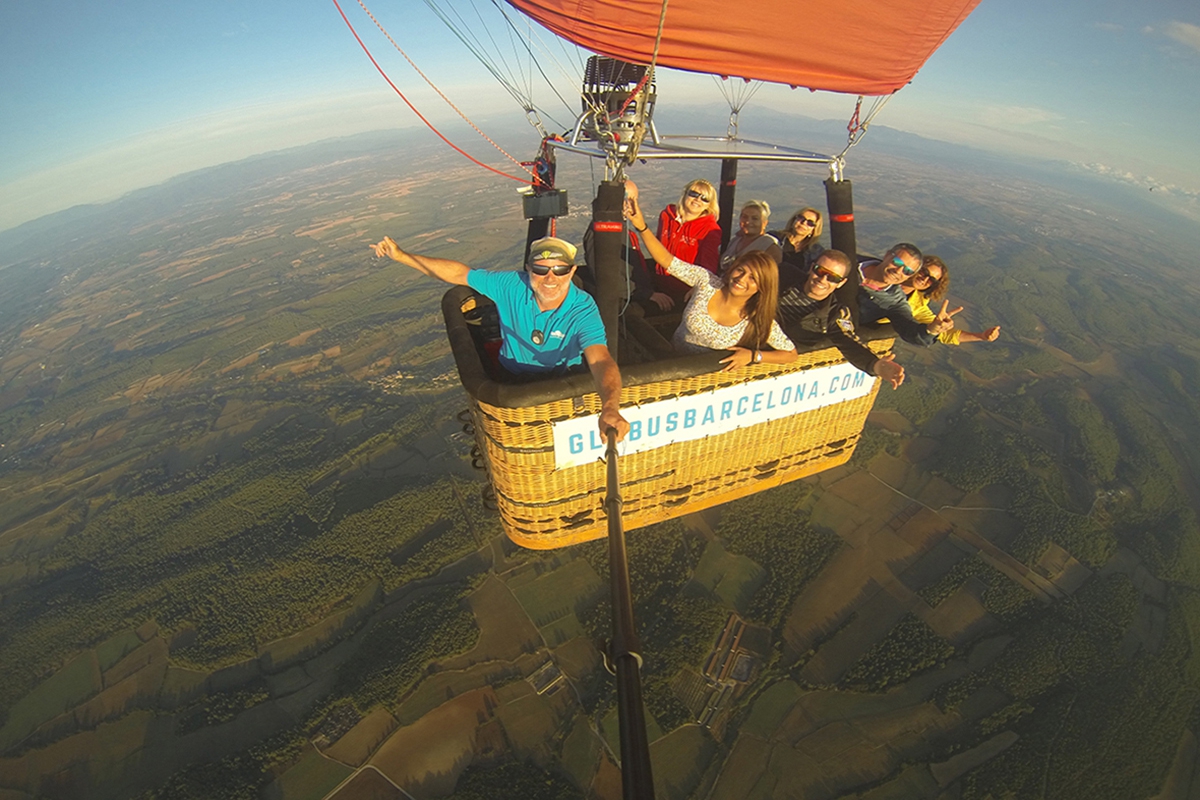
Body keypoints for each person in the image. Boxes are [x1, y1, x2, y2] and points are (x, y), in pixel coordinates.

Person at [371, 235, 630, 440]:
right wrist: (401, 256)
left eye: (560, 269)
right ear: (528, 269)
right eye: (541, 268)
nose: (550, 278)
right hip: (511, 378)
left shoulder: (582, 309)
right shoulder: (511, 285)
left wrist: (609, 406)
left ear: (572, 271)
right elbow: (459, 273)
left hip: (560, 381)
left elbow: (599, 360)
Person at [625, 184, 797, 371]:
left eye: (753, 278)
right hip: (670, 362)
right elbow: (667, 260)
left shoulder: (757, 317)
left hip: (707, 379)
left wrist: (754, 356)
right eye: (741, 270)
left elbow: (790, 354)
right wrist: (641, 226)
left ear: (762, 286)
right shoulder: (707, 281)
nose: (742, 279)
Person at [776, 251, 906, 389]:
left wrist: (875, 365)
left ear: (841, 283)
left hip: (776, 359)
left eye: (833, 277)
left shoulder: (834, 313)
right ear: (811, 268)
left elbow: (848, 340)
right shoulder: (783, 276)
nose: (823, 279)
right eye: (820, 271)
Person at [857, 242, 958, 347]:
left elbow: (909, 328)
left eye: (907, 271)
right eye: (897, 262)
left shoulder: (895, 301)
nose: (899, 271)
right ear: (887, 255)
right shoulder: (851, 261)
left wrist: (931, 331)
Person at [651, 179, 723, 309]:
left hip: (685, 290)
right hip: (659, 282)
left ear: (710, 205)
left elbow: (709, 265)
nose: (697, 200)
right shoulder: (667, 216)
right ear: (685, 194)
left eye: (705, 198)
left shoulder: (710, 229)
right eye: (694, 194)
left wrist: (698, 290)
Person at [903, 256, 1000, 345]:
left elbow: (944, 333)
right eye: (924, 272)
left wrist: (981, 336)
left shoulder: (917, 305)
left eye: (932, 280)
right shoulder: (890, 275)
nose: (925, 279)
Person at [720, 200, 783, 271]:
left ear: (765, 223)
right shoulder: (735, 241)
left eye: (755, 218)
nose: (748, 222)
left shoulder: (770, 246)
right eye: (744, 217)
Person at [771, 207, 826, 272]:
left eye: (810, 223)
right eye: (801, 218)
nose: (804, 223)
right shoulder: (773, 238)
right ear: (794, 220)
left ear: (813, 230)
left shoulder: (817, 252)